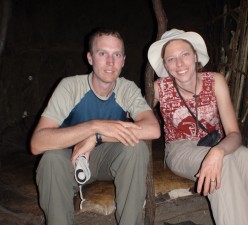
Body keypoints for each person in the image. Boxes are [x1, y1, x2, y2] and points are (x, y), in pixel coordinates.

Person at [147, 28, 248, 225]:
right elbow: (135, 113)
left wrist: (217, 151)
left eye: (185, 55)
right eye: (171, 59)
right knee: (226, 166)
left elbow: (234, 134)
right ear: (165, 65)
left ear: (195, 56)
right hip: (180, 149)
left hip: (218, 144)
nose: (179, 64)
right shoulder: (159, 88)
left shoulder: (215, 81)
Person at [30, 28, 161, 225]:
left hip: (106, 159)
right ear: (90, 58)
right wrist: (93, 126)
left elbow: (153, 129)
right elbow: (37, 143)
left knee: (137, 148)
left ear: (123, 60)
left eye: (116, 54)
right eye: (102, 53)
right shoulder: (70, 87)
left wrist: (97, 137)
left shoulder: (127, 89)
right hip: (70, 159)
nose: (110, 62)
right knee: (50, 159)